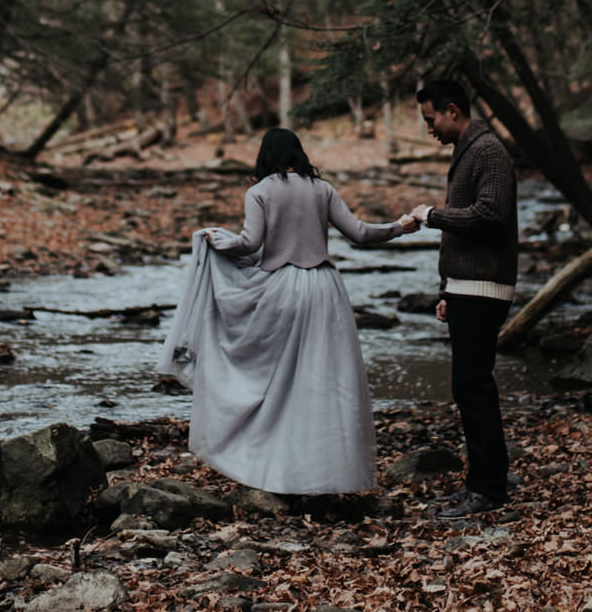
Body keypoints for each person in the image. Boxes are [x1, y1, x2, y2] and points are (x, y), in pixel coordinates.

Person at [159, 128, 422, 494]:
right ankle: (330, 476)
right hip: (325, 290)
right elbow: (360, 234)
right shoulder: (322, 188)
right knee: (328, 381)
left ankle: (278, 472)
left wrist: (219, 239)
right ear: (298, 153)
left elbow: (250, 244)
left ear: (265, 156)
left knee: (279, 383)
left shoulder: (260, 192)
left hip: (281, 289)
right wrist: (400, 227)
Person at [409, 78, 517, 518]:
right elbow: (467, 231)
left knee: (474, 387)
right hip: (467, 288)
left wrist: (431, 215)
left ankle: (487, 490)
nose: (429, 128)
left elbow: (490, 216)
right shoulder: (469, 150)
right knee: (468, 386)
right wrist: (446, 292)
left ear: (453, 110)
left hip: (484, 287)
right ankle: (480, 484)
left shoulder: (488, 151)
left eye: (431, 119)